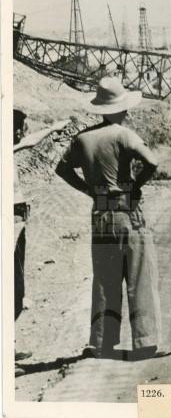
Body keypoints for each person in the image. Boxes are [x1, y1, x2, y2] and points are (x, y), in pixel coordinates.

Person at [55, 78, 171, 360]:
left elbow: (62, 169)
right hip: (126, 211)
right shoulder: (124, 135)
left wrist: (88, 189)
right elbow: (152, 162)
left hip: (100, 211)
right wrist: (135, 186)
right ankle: (145, 342)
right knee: (139, 277)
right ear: (120, 108)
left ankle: (101, 343)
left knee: (104, 280)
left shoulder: (83, 139)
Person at [14, 109, 69, 376]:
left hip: (17, 219)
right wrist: (53, 128)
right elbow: (29, 141)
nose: (22, 132)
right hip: (11, 222)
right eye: (19, 127)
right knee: (11, 287)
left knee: (16, 287)